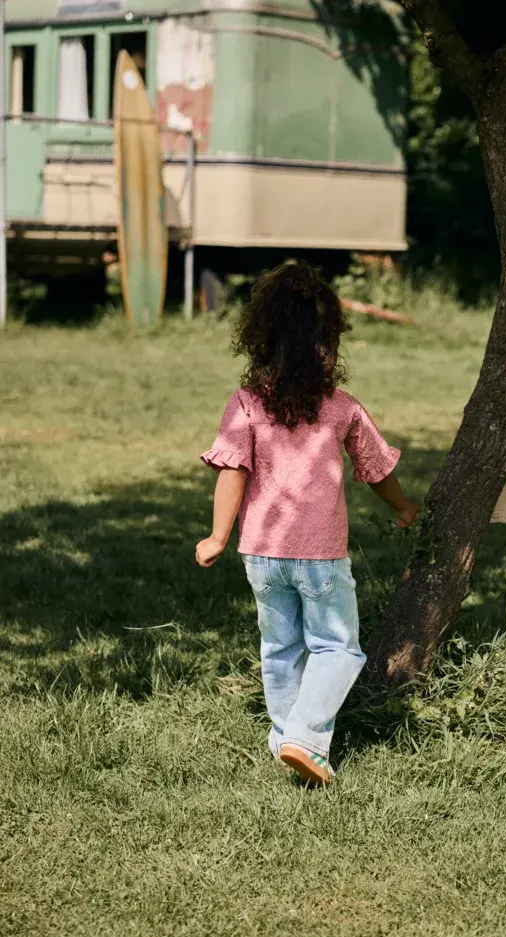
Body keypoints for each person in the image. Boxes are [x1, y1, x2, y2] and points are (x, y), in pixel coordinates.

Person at [196, 261, 419, 786]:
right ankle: (305, 738)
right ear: (328, 345)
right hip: (320, 556)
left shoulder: (246, 403)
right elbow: (377, 470)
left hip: (262, 554)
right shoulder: (341, 408)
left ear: (261, 340)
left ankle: (286, 741)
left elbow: (232, 472)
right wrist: (404, 508)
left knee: (281, 649)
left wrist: (217, 537)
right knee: (338, 647)